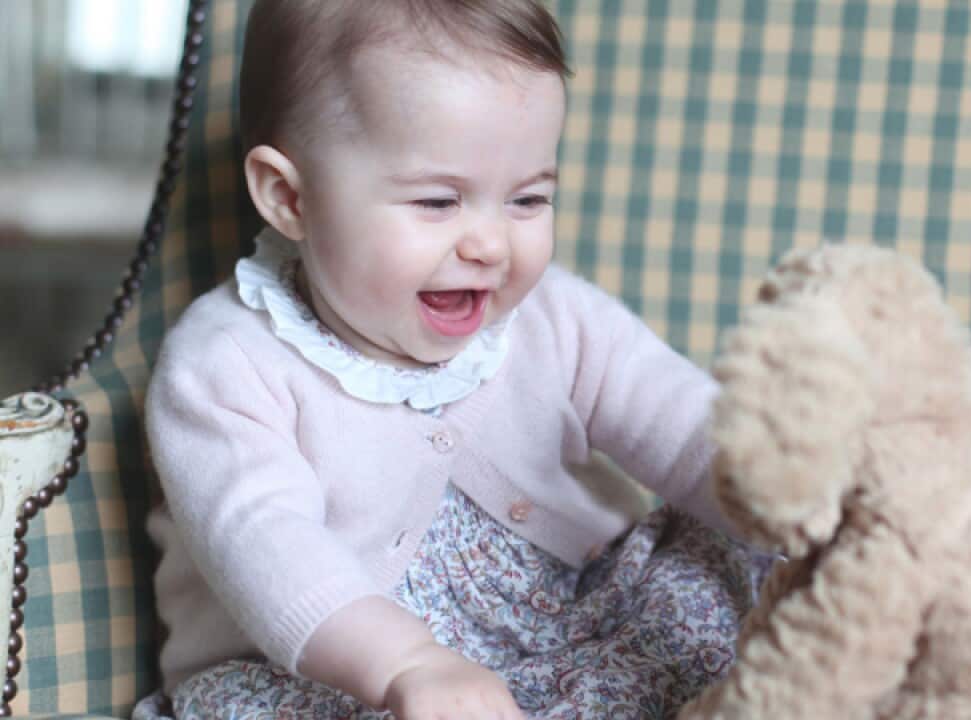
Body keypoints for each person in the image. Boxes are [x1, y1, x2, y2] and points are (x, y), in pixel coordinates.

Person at [133, 1, 770, 718]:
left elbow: (685, 426)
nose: (491, 245)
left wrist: (792, 499)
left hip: (586, 616)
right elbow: (264, 543)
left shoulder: (554, 317)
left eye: (528, 199)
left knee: (742, 556)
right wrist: (408, 663)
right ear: (290, 197)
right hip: (350, 673)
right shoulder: (226, 364)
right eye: (439, 202)